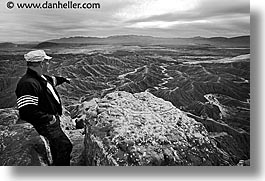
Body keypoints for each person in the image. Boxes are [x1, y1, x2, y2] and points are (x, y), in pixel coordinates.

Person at [15, 50, 73, 166]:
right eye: (46, 61)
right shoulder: (28, 84)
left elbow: (53, 81)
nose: (48, 64)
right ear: (41, 63)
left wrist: (64, 80)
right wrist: (49, 118)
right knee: (65, 146)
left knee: (57, 147)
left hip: (51, 121)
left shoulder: (41, 78)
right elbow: (27, 111)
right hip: (45, 123)